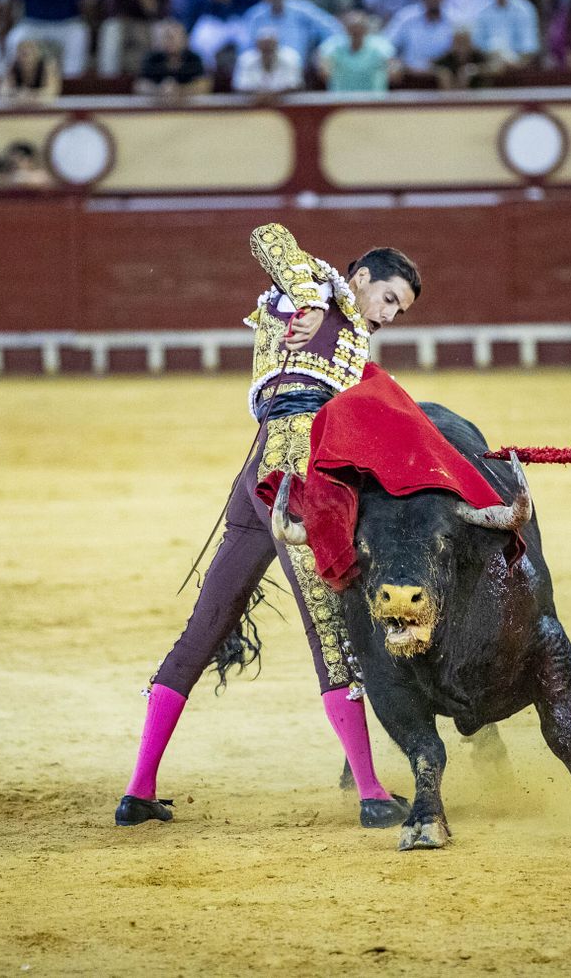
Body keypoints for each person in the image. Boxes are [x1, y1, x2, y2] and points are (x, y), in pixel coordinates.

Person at [115, 224, 420, 830]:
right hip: (294, 474)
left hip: (258, 472)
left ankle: (138, 790)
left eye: (401, 311)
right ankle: (369, 793)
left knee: (205, 628)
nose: (389, 315)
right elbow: (268, 236)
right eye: (388, 298)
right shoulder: (316, 293)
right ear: (361, 278)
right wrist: (309, 298)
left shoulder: (352, 334)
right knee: (329, 629)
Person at [243, 0, 344, 64]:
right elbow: (245, 47)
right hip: (263, 70)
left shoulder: (304, 10)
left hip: (298, 69)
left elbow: (333, 29)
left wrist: (322, 51)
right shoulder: (255, 15)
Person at [471, 0, 541, 69]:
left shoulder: (525, 9)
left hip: (518, 64)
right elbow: (478, 45)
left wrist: (515, 66)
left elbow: (529, 47)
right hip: (490, 63)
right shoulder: (482, 10)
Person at [384, 0, 457, 73]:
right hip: (409, 73)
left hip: (442, 74)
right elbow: (387, 44)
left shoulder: (454, 20)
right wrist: (393, 61)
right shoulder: (406, 17)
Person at [317, 10, 398, 90]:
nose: (355, 32)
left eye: (359, 28)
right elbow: (323, 70)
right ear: (345, 28)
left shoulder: (381, 45)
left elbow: (394, 71)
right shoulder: (332, 45)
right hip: (340, 101)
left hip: (374, 101)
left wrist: (392, 69)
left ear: (366, 29)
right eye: (352, 29)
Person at [135, 18, 212, 95]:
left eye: (173, 37)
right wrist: (160, 90)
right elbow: (140, 86)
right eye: (166, 37)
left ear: (184, 39)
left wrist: (179, 90)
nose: (170, 41)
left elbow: (204, 85)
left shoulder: (193, 59)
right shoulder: (152, 58)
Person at [232, 24, 305, 92]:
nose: (267, 49)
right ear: (257, 46)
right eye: (264, 48)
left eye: (271, 47)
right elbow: (239, 85)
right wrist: (264, 95)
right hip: (254, 103)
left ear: (277, 45)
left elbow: (296, 84)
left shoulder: (291, 57)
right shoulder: (245, 59)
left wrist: (271, 95)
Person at [0, 36, 62, 100]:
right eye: (23, 54)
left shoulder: (47, 66)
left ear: (36, 54)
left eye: (28, 54)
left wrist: (32, 94)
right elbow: (1, 92)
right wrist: (19, 93)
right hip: (18, 105)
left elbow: (53, 91)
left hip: (42, 105)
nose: (25, 59)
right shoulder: (12, 67)